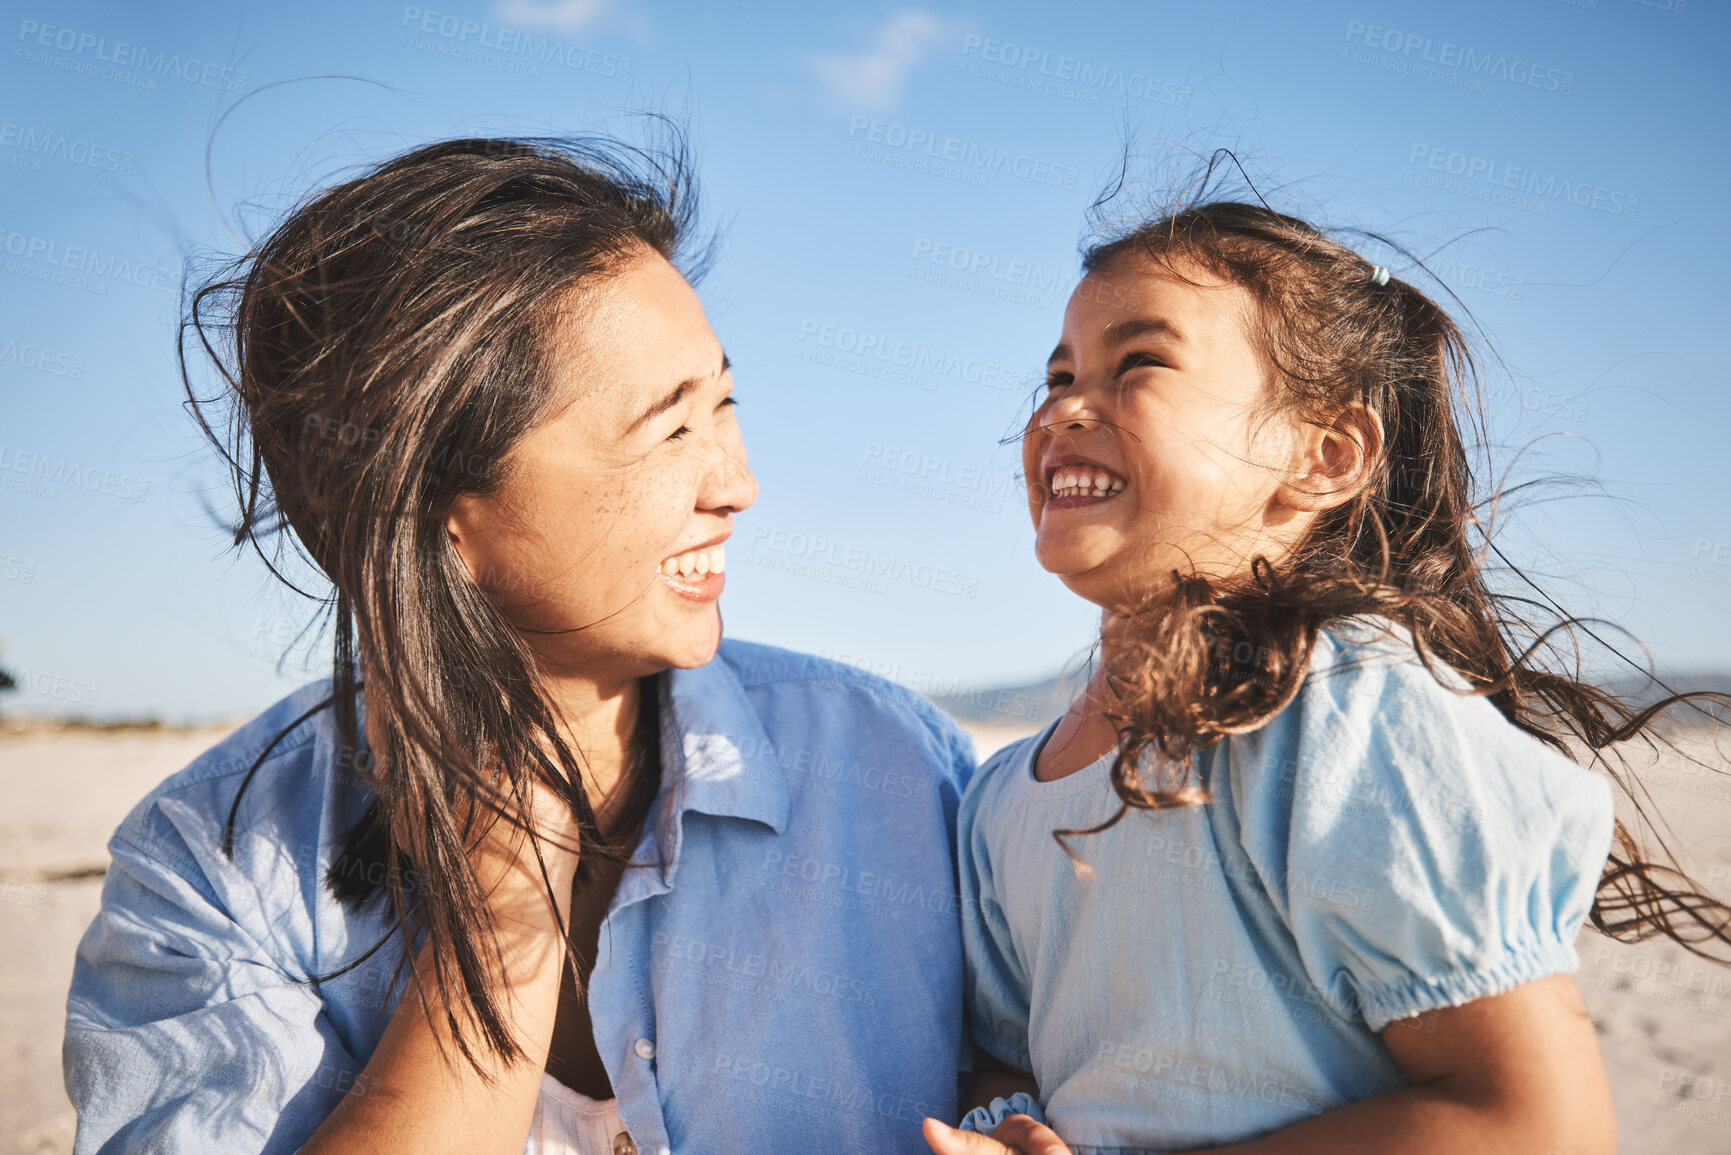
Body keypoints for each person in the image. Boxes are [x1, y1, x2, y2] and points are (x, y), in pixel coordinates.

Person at [63, 134, 976, 1155]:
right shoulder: (214, 868)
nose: (736, 483)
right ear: (440, 511)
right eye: (670, 431)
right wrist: (500, 932)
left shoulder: (899, 772)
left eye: (724, 405)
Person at [921, 191, 1731, 1155]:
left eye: (1136, 363)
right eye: (1056, 376)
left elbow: (1534, 1121)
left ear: (1325, 454)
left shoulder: (1341, 708)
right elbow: (1016, 1058)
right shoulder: (1004, 793)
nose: (1063, 407)